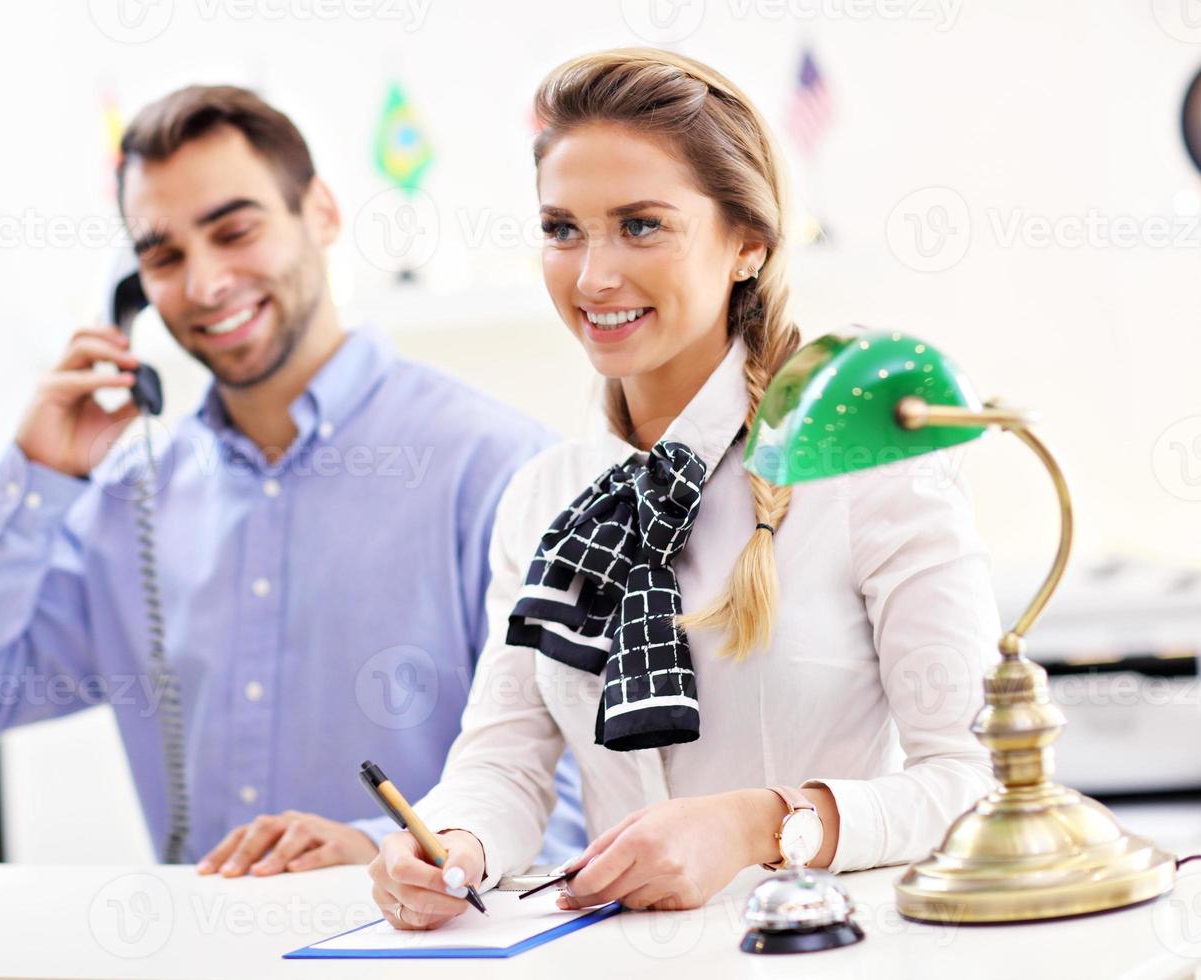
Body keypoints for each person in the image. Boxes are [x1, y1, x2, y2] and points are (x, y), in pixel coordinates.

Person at [0, 83, 583, 874]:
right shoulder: (126, 507)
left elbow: (590, 804)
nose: (206, 284)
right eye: (163, 256)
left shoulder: (499, 468)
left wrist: (383, 849)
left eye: (234, 230)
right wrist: (35, 478)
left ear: (319, 212)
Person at [367, 48, 1000, 928]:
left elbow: (978, 781)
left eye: (641, 225)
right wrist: (447, 844)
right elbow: (505, 760)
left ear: (749, 243)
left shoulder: (867, 467)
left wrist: (757, 824)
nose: (592, 277)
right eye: (562, 229)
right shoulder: (542, 495)